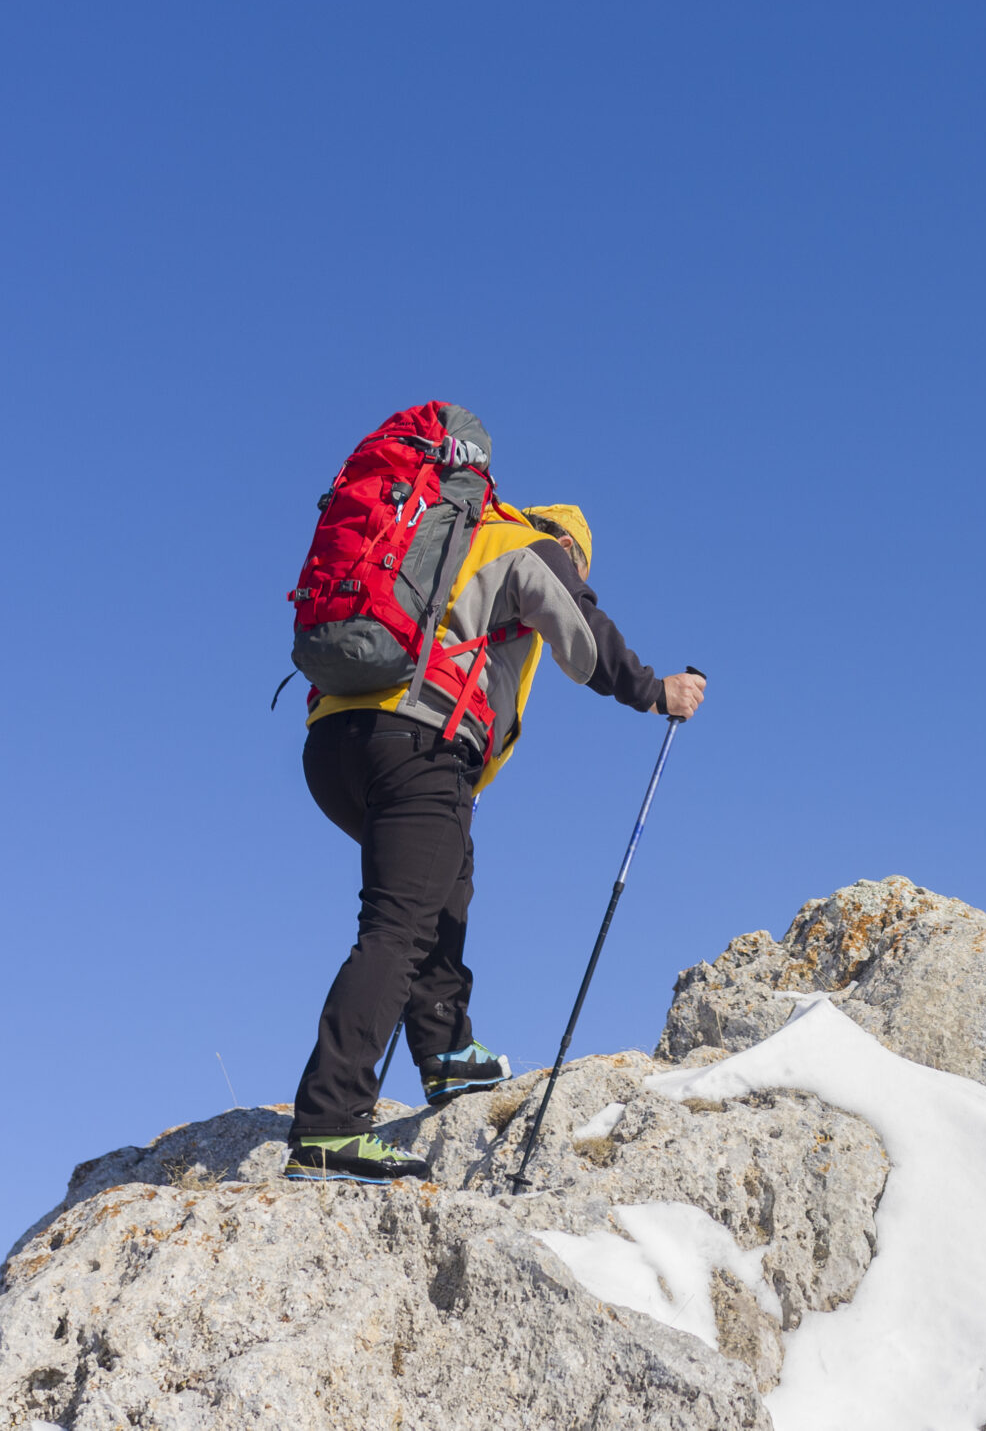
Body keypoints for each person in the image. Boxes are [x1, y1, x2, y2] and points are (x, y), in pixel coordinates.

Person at [285, 491, 706, 1184]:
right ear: (570, 549)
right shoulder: (526, 545)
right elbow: (583, 633)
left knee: (445, 884)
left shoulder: (448, 550)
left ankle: (446, 1051)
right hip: (415, 741)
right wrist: (655, 690)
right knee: (397, 926)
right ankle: (329, 1121)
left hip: (334, 743)